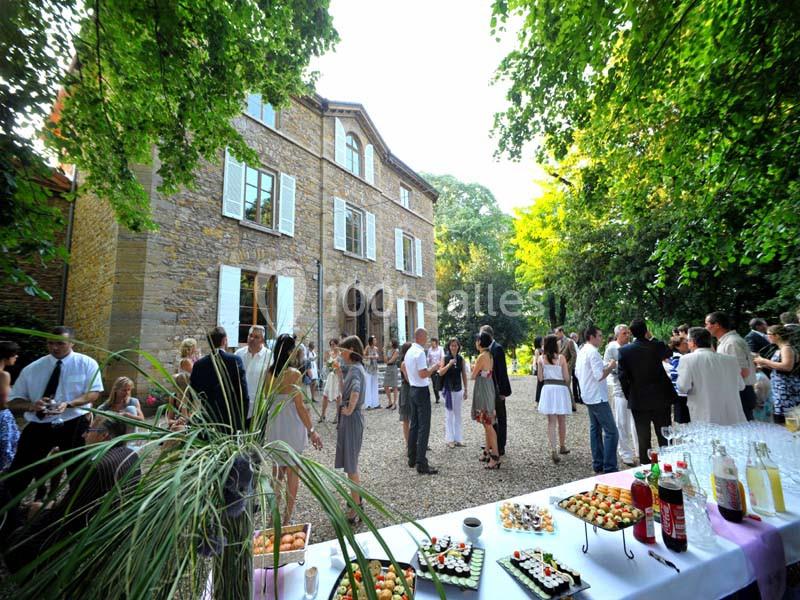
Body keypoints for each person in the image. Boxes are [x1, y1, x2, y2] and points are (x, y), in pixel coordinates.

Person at [4, 414, 141, 575]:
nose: (83, 435)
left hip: (86, 531)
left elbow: (68, 517)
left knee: (15, 543)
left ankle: (31, 580)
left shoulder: (94, 468)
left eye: (88, 430)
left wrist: (45, 508)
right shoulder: (131, 455)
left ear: (104, 435)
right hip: (116, 520)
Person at [6, 326, 103, 504]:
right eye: (50, 343)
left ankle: (77, 510)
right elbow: (13, 401)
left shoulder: (87, 364)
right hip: (39, 424)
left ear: (72, 343)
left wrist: (69, 403)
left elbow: (94, 393)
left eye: (60, 343)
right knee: (20, 470)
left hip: (73, 422)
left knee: (77, 470)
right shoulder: (32, 369)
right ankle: (9, 514)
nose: (55, 348)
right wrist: (31, 405)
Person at [265, 334, 322, 524]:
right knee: (293, 471)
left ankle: (273, 516)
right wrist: (312, 430)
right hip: (291, 425)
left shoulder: (269, 373)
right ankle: (287, 518)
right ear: (290, 351)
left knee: (277, 471)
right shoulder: (294, 374)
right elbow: (299, 406)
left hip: (275, 425)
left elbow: (268, 401)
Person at [617, 318, 676, 464]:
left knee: (643, 436)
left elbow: (623, 377)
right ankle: (668, 464)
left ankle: (645, 465)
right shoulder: (656, 346)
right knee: (665, 435)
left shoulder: (624, 351)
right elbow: (669, 352)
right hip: (661, 397)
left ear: (631, 333)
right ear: (646, 331)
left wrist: (630, 395)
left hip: (639, 397)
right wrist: (652, 338)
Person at [677, 328, 746, 425]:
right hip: (732, 413)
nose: (687, 343)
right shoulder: (731, 360)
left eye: (688, 341)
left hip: (705, 413)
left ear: (692, 342)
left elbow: (683, 387)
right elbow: (741, 386)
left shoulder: (687, 359)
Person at [576, 325, 619, 474]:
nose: (601, 338)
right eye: (599, 336)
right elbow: (599, 375)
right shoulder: (593, 352)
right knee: (612, 432)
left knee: (595, 429)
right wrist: (611, 366)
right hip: (597, 397)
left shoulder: (582, 350)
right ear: (592, 337)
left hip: (588, 395)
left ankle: (598, 463)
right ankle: (610, 467)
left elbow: (578, 372)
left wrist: (604, 366)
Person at [189, 326, 249, 432]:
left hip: (209, 415)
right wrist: (243, 416)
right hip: (232, 416)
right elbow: (243, 391)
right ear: (224, 340)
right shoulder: (235, 360)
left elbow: (193, 390)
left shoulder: (199, 364)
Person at [335, 335, 366, 523]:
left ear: (352, 350)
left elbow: (355, 391)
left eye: (343, 351)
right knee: (350, 462)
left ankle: (357, 508)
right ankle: (356, 499)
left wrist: (349, 409)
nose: (341, 354)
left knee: (352, 465)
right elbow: (346, 388)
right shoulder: (354, 369)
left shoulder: (355, 370)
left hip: (352, 419)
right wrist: (339, 374)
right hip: (352, 419)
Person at [705, 311, 757, 421]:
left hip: (740, 392)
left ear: (717, 325)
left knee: (742, 431)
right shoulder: (727, 341)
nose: (706, 327)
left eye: (707, 324)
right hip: (738, 390)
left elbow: (743, 372)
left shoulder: (731, 342)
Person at [405, 328, 438, 475]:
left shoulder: (409, 351)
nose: (427, 339)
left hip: (412, 389)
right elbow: (423, 374)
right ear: (420, 337)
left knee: (414, 425)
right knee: (424, 427)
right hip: (421, 390)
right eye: (426, 336)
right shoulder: (419, 353)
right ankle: (421, 462)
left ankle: (412, 457)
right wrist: (434, 368)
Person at [604, 324, 637, 466]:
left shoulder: (632, 346)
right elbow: (606, 365)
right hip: (620, 387)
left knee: (635, 421)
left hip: (634, 388)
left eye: (628, 333)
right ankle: (625, 453)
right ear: (617, 334)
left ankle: (639, 450)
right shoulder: (611, 347)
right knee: (622, 422)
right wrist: (619, 366)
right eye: (624, 333)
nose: (627, 335)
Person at [537, 334, 572, 463]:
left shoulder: (541, 359)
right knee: (561, 419)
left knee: (551, 421)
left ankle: (553, 449)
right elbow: (567, 378)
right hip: (560, 388)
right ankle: (562, 445)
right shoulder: (561, 358)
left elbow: (540, 378)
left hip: (548, 388)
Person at [754, 325, 800, 423]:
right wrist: (763, 365)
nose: (767, 337)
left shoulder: (786, 348)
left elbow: (787, 366)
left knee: (785, 418)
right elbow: (779, 368)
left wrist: (764, 361)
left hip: (786, 390)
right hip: (780, 388)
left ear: (777, 336)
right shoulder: (781, 349)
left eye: (769, 334)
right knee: (781, 417)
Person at [480, 325, 512, 456]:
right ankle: (492, 443)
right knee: (489, 418)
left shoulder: (497, 348)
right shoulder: (486, 350)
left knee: (500, 417)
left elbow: (502, 372)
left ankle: (501, 445)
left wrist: (503, 392)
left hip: (497, 390)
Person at [472, 331, 500, 469]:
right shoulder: (489, 355)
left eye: (477, 340)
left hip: (483, 389)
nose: (475, 342)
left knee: (488, 424)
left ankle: (495, 456)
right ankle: (488, 451)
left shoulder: (482, 356)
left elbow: (473, 375)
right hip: (488, 387)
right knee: (487, 423)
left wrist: (473, 367)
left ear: (480, 342)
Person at [234, 325, 269, 425]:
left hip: (258, 408)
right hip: (239, 406)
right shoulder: (238, 354)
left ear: (262, 340)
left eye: (256, 337)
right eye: (250, 335)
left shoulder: (269, 357)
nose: (252, 339)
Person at [438, 338, 469, 448]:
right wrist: (449, 364)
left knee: (458, 415)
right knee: (449, 415)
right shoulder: (445, 358)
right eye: (452, 345)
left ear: (458, 347)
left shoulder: (461, 359)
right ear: (449, 347)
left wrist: (466, 389)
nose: (454, 347)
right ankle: (449, 439)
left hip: (458, 389)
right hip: (448, 390)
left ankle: (458, 438)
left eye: (455, 345)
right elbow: (440, 372)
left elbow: (464, 375)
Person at [665, 336, 691, 424]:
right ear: (677, 346)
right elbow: (676, 374)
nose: (687, 344)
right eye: (684, 343)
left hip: (680, 393)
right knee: (683, 421)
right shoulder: (678, 357)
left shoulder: (679, 356)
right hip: (681, 393)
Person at [556, 326, 579, 408]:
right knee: (562, 386)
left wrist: (569, 366)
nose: (556, 335)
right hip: (559, 367)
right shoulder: (558, 343)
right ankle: (565, 404)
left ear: (561, 332)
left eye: (557, 333)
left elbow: (574, 355)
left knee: (566, 385)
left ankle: (573, 405)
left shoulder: (570, 341)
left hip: (567, 367)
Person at [0, 371, 20, 471]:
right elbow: (4, 403)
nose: (16, 356)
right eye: (14, 354)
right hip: (2, 417)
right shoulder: (3, 375)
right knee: (6, 451)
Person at [320, 338, 341, 423]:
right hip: (330, 377)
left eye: (333, 344)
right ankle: (323, 414)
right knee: (325, 395)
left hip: (337, 377)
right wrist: (327, 357)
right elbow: (326, 362)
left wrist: (334, 367)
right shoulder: (330, 354)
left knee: (338, 397)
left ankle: (338, 415)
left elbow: (339, 367)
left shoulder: (340, 355)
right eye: (331, 345)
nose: (332, 346)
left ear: (337, 345)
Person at [397, 342, 413, 445]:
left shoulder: (411, 361)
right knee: (406, 418)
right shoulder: (404, 363)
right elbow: (408, 379)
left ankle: (416, 441)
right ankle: (408, 443)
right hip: (407, 389)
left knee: (415, 417)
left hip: (412, 389)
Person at [362, 336, 380, 410]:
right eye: (374, 340)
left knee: (375, 386)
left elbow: (378, 356)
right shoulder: (367, 348)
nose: (375, 341)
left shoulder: (376, 348)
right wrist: (371, 357)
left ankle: (375, 403)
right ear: (371, 341)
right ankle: (368, 404)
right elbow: (363, 356)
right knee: (368, 386)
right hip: (368, 369)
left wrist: (376, 356)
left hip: (374, 368)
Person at [427, 337, 444, 404]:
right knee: (434, 383)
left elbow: (442, 357)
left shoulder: (440, 349)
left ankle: (444, 394)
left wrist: (441, 364)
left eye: (433, 342)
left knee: (440, 381)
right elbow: (427, 358)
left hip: (439, 367)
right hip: (432, 368)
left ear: (436, 342)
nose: (432, 343)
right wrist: (428, 360)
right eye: (431, 342)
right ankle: (437, 397)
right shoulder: (429, 350)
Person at [383, 340, 399, 409]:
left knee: (394, 386)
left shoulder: (396, 350)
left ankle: (395, 403)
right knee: (385, 385)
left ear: (393, 343)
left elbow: (391, 360)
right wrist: (384, 352)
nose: (389, 343)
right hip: (388, 368)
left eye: (390, 342)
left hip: (393, 368)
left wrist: (388, 360)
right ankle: (390, 401)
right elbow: (385, 361)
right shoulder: (389, 351)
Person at [532, 336, 544, 404]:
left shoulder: (543, 349)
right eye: (542, 340)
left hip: (543, 367)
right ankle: (538, 400)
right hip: (540, 367)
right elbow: (537, 360)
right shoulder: (537, 350)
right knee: (540, 383)